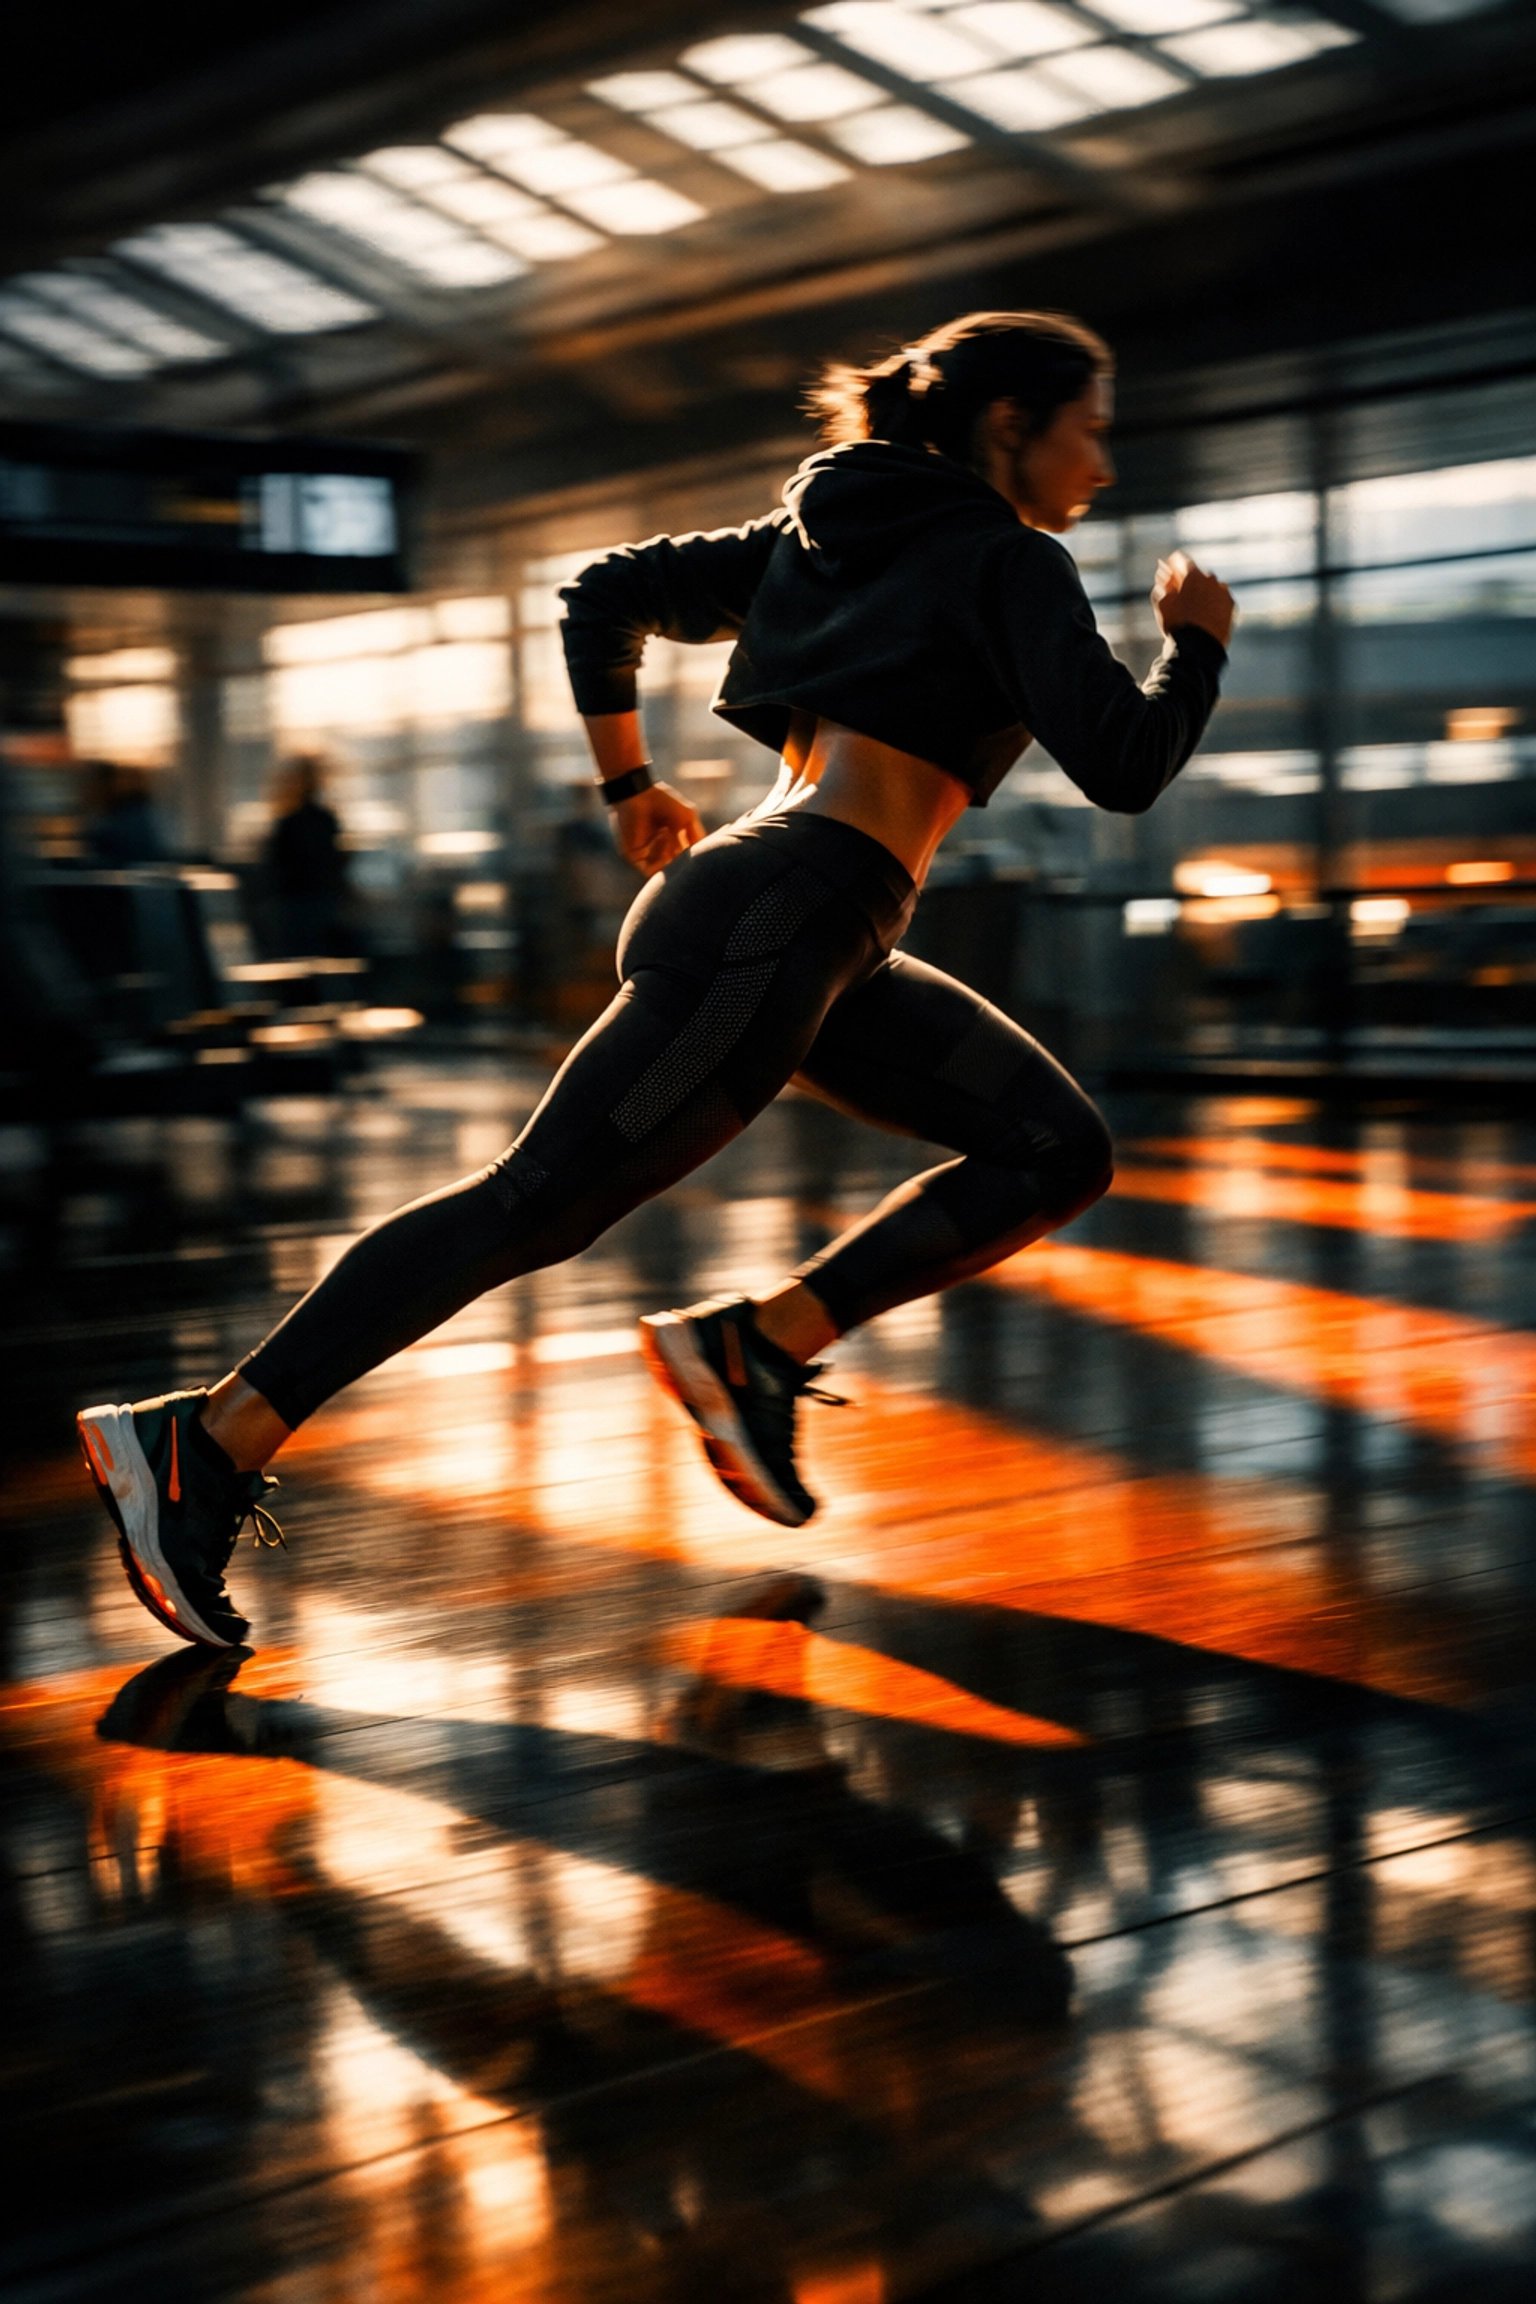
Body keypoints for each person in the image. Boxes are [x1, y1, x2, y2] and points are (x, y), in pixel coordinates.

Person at [77, 309, 1235, 1652]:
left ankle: (758, 1348)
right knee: (531, 1204)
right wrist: (1193, 642)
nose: (1103, 459)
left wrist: (631, 783)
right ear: (1008, 425)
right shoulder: (1013, 563)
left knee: (1052, 1150)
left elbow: (605, 591)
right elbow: (1128, 763)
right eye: (1088, 426)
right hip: (785, 919)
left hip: (807, 920)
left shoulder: (828, 534)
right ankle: (202, 1442)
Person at [264, 752, 347, 956]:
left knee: (303, 953)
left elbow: (276, 864)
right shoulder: (322, 820)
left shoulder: (294, 822)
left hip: (301, 900)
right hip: (314, 898)